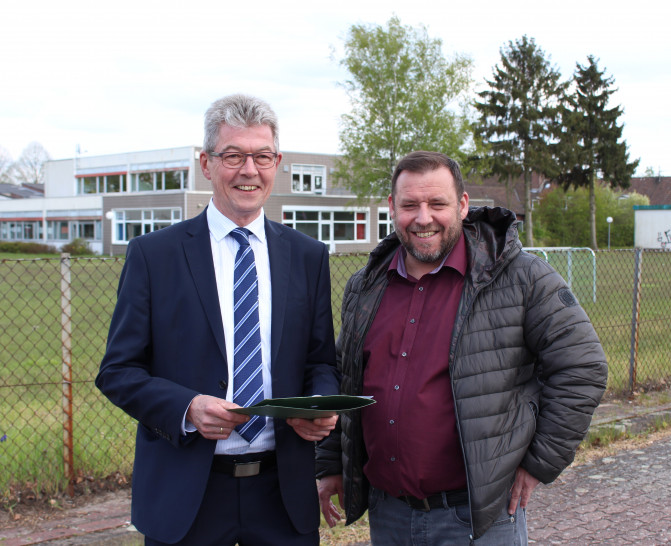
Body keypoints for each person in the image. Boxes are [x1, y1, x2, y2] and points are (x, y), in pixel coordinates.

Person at [316, 151, 608, 544]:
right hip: (390, 516)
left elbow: (583, 367)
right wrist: (332, 461)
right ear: (391, 207)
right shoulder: (365, 286)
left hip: (479, 518)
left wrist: (540, 463)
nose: (423, 218)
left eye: (437, 203)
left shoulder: (521, 278)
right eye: (409, 205)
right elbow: (346, 380)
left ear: (463, 205)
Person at [96, 93, 340, 545]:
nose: (249, 170)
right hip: (189, 493)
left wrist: (319, 404)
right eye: (233, 156)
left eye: (262, 156)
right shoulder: (155, 256)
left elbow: (321, 361)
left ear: (277, 162)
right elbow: (118, 372)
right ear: (207, 164)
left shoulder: (308, 256)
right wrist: (187, 408)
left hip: (281, 495)